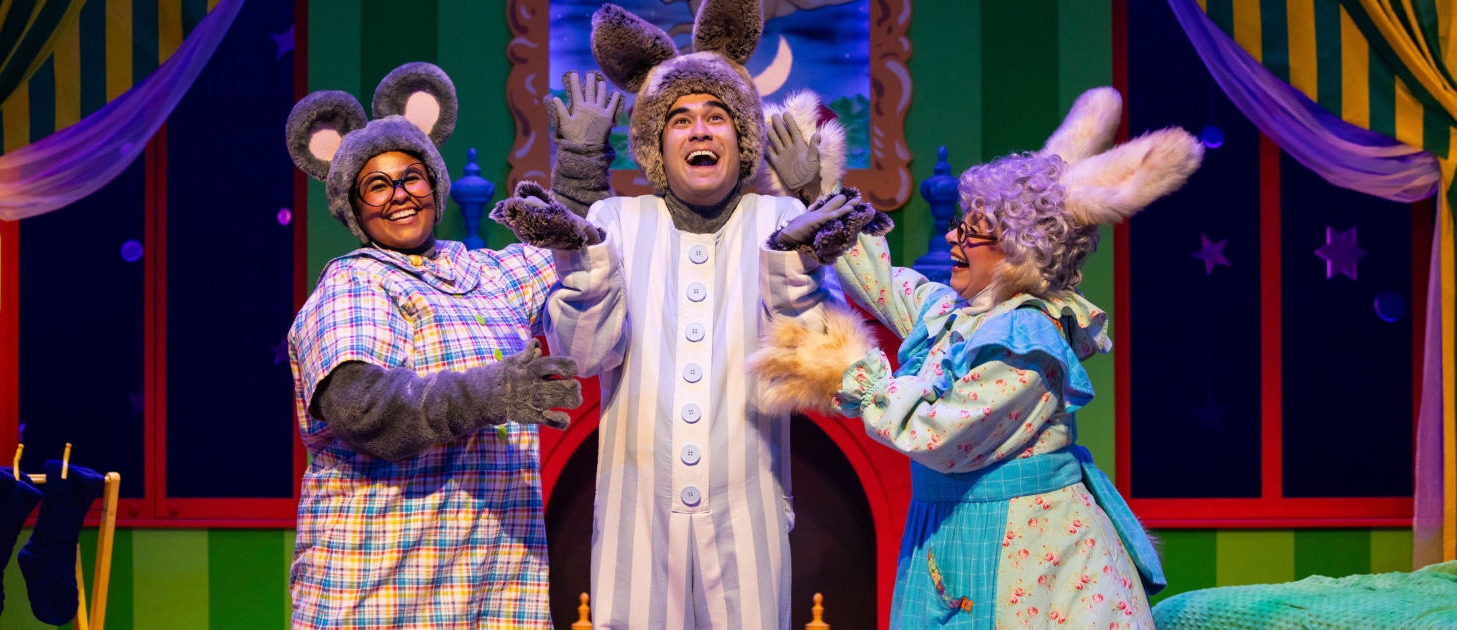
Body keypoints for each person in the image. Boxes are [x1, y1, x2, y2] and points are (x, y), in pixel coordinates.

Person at [489, 0, 888, 627]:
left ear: (742, 138)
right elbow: (587, 353)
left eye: (717, 116)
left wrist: (793, 252)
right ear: (655, 145)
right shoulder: (616, 222)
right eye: (679, 119)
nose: (699, 130)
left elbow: (817, 362)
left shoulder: (777, 222)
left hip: (746, 517)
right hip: (636, 522)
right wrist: (587, 259)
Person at [749, 87, 1203, 628]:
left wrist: (852, 369)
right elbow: (879, 280)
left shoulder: (1026, 341)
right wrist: (816, 191)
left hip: (1033, 561)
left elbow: (934, 433)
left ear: (1019, 252)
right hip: (956, 538)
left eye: (973, 230)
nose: (953, 236)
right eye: (961, 223)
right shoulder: (954, 311)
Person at [283, 62, 582, 628]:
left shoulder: (485, 274)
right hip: (381, 589)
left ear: (435, 185)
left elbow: (575, 258)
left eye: (411, 176)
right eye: (377, 184)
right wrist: (490, 392)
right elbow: (362, 407)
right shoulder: (356, 281)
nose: (399, 194)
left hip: (492, 586)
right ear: (353, 206)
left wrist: (583, 165)